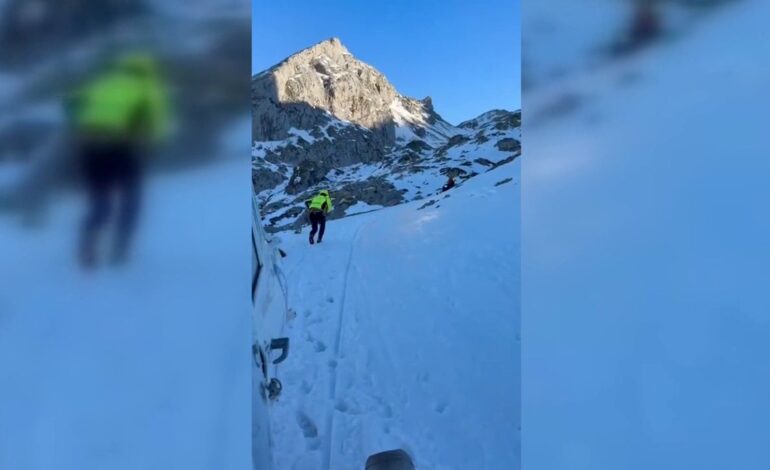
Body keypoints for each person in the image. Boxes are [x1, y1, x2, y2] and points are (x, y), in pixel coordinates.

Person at [68, 52, 169, 268]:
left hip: (90, 147)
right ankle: (119, 250)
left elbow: (73, 106)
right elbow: (157, 127)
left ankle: (88, 245)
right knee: (131, 199)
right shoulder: (146, 88)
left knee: (100, 200)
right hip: (122, 148)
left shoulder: (101, 83)